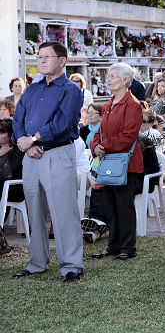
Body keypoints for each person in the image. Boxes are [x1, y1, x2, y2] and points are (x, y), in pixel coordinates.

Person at [11, 41, 84, 283]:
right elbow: (17, 117)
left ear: (62, 60)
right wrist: (23, 141)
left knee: (64, 212)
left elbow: (63, 124)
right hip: (31, 157)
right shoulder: (32, 89)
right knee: (35, 211)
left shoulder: (71, 90)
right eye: (39, 57)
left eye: (47, 57)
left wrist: (31, 140)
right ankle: (37, 263)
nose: (41, 61)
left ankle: (71, 266)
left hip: (57, 153)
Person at [89, 63, 143, 261]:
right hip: (108, 160)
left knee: (124, 206)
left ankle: (128, 247)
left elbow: (128, 136)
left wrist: (104, 146)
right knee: (110, 205)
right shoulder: (107, 105)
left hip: (126, 163)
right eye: (108, 75)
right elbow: (99, 132)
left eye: (113, 76)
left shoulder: (133, 105)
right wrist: (95, 146)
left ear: (126, 81)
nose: (108, 79)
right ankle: (113, 246)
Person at [0, 118, 25, 204]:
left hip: (12, 189)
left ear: (10, 134)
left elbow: (12, 173)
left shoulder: (18, 152)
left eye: (1, 133)